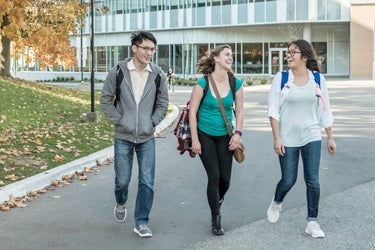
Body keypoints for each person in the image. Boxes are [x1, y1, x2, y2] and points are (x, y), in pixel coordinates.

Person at [100, 31, 169, 238]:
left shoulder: (158, 75)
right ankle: (121, 202)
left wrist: (152, 122)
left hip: (146, 137)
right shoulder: (118, 71)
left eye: (152, 49)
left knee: (147, 181)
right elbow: (105, 99)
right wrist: (119, 120)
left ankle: (141, 222)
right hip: (123, 136)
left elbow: (163, 104)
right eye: (146, 48)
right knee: (122, 180)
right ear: (135, 48)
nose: (150, 53)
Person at [267, 39, 337, 238]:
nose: (288, 55)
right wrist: (276, 137)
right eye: (288, 52)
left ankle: (312, 222)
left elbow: (325, 108)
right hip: (287, 137)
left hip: (312, 135)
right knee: (289, 180)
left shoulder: (317, 79)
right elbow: (273, 110)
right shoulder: (281, 78)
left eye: (293, 52)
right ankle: (277, 201)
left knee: (313, 180)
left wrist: (330, 136)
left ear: (304, 56)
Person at [188, 45, 244, 235]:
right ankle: (216, 218)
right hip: (204, 134)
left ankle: (216, 199)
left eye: (232, 55)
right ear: (216, 58)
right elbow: (192, 112)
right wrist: (195, 140)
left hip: (226, 136)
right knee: (214, 176)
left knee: (225, 180)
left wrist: (238, 134)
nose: (231, 58)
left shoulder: (236, 83)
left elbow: (241, 110)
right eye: (227, 55)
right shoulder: (202, 84)